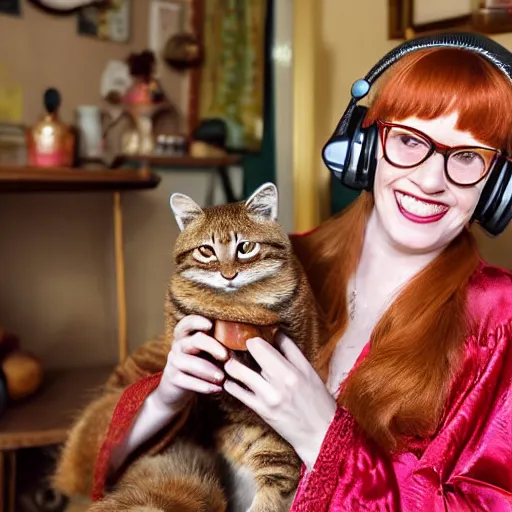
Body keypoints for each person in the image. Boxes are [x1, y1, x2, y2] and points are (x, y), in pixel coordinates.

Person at [90, 33, 512, 511]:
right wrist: (166, 401)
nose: (431, 181)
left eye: (469, 156)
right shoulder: (276, 261)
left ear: (497, 186)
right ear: (365, 146)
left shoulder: (500, 322)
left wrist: (324, 436)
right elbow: (105, 460)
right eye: (410, 141)